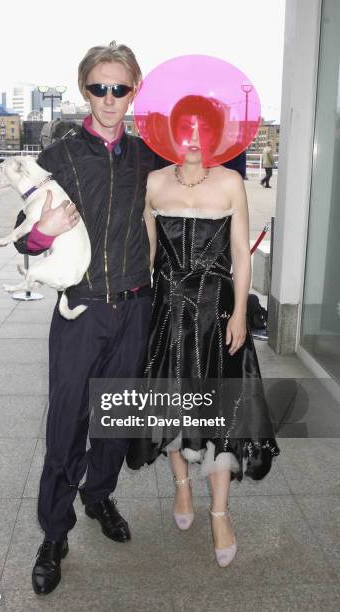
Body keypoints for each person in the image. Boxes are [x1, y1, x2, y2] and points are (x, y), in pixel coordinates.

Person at [13, 41, 166, 596]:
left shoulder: (149, 156)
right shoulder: (61, 155)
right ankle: (54, 533)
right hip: (79, 311)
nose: (108, 98)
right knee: (68, 423)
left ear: (134, 91)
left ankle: (99, 494)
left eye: (119, 88)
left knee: (116, 417)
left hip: (135, 305)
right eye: (98, 87)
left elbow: (185, 200)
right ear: (84, 90)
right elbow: (23, 241)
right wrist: (42, 231)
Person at [126, 99, 280, 568]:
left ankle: (219, 513)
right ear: (170, 134)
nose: (192, 136)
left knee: (220, 411)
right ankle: (181, 490)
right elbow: (147, 255)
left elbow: (241, 254)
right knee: (170, 402)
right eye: (184, 128)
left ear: (215, 134)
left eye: (201, 128)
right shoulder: (153, 183)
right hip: (166, 311)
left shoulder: (231, 182)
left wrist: (238, 314)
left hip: (217, 313)